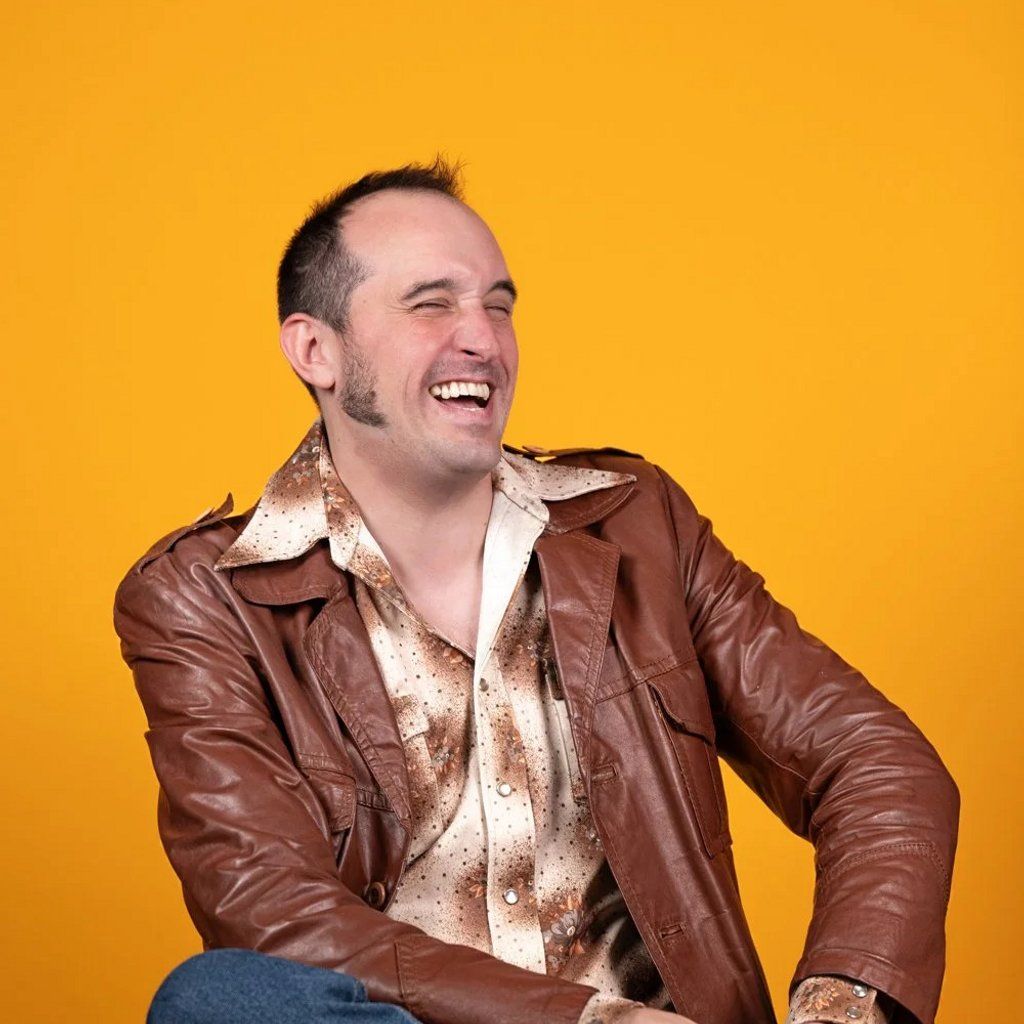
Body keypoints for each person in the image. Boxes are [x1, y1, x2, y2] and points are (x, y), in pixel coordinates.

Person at [112, 157, 959, 1024]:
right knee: (220, 999)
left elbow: (874, 759)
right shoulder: (202, 597)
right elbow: (272, 912)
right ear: (316, 350)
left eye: (498, 305)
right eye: (431, 304)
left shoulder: (638, 524)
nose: (483, 339)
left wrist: (840, 1006)